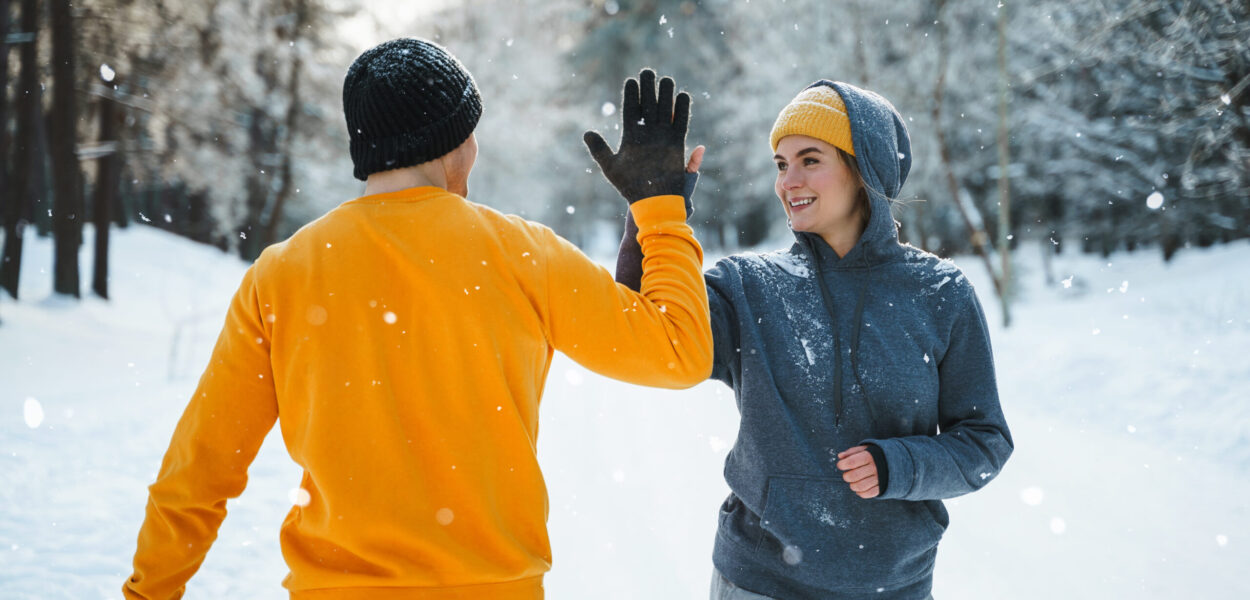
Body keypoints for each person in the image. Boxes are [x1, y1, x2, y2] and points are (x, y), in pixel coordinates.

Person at [123, 39, 712, 600]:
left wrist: (150, 590)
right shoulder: (521, 254)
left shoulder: (284, 272)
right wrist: (659, 210)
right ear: (457, 141)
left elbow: (199, 471)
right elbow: (678, 352)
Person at [604, 81, 1013, 599]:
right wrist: (651, 207)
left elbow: (984, 440)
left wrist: (900, 466)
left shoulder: (938, 293)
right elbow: (646, 324)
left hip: (892, 586)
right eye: (780, 164)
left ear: (863, 167)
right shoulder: (748, 288)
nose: (788, 181)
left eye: (810, 159)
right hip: (757, 581)